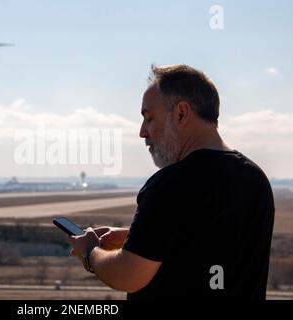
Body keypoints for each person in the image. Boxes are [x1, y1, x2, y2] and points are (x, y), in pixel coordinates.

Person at [67, 64, 275, 299]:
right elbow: (208, 246)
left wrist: (90, 252)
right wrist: (135, 239)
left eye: (149, 117)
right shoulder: (255, 179)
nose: (142, 131)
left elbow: (127, 275)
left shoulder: (171, 185)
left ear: (181, 114)